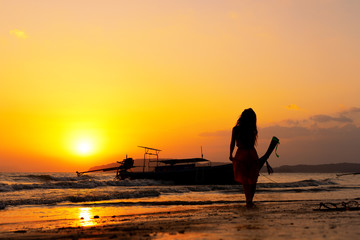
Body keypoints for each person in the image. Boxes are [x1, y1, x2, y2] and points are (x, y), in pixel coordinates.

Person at [229, 108, 259, 208]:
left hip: (242, 154)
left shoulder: (236, 129)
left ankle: (248, 200)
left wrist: (230, 154)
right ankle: (250, 200)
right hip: (252, 154)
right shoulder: (252, 129)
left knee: (245, 179)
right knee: (253, 178)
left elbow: (233, 143)